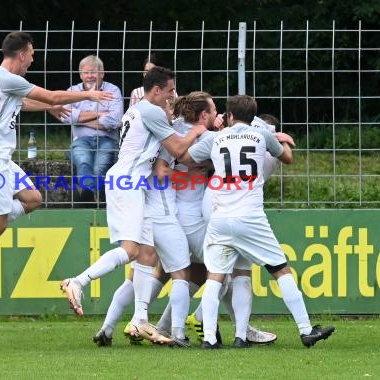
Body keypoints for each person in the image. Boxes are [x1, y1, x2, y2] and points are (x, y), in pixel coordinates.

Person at [0, 31, 114, 311]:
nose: (32, 61)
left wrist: (51, 108)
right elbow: (47, 95)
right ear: (21, 54)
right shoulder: (9, 78)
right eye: (32, 56)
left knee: (33, 198)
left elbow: (25, 102)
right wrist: (87, 94)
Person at [60, 67, 207, 342]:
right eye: (169, 91)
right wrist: (198, 128)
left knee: (144, 255)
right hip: (126, 182)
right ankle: (77, 281)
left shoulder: (139, 111)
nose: (171, 96)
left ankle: (139, 319)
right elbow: (177, 149)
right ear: (156, 90)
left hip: (134, 185)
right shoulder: (150, 109)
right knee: (130, 251)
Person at [180, 94, 335, 349]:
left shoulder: (216, 138)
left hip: (220, 217)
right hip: (250, 217)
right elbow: (285, 157)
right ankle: (306, 330)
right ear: (252, 117)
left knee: (214, 278)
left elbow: (186, 159)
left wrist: (216, 161)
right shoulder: (261, 136)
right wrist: (281, 141)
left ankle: (209, 338)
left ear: (229, 116)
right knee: (281, 270)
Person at [52, 55, 123, 206]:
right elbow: (65, 117)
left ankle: (86, 200)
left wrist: (80, 121)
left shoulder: (113, 90)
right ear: (80, 75)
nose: (90, 76)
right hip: (81, 141)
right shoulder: (72, 91)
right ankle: (92, 200)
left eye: (94, 72)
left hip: (107, 140)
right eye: (86, 73)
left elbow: (115, 121)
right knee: (83, 161)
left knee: (100, 166)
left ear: (102, 74)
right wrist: (99, 115)